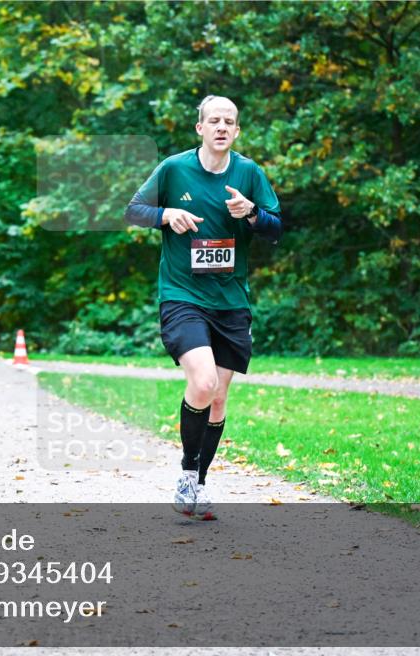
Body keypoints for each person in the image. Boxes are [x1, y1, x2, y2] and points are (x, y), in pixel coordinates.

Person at [125, 95, 283, 520]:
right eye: (214, 120)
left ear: (237, 131)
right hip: (183, 296)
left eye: (229, 121)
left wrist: (252, 213)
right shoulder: (174, 168)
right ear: (200, 128)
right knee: (204, 381)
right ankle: (186, 472)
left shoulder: (249, 173)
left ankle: (198, 483)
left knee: (219, 397)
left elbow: (275, 228)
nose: (221, 127)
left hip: (231, 302)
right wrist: (165, 215)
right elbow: (133, 210)